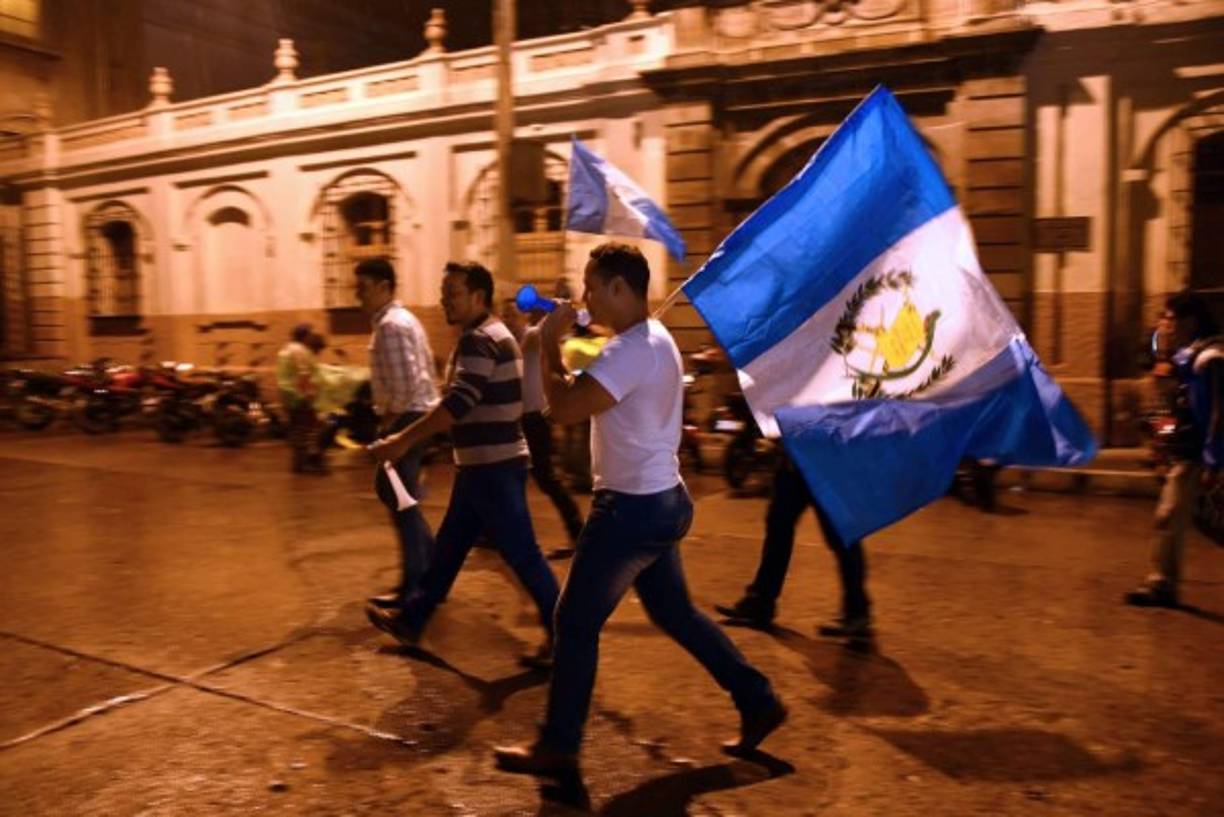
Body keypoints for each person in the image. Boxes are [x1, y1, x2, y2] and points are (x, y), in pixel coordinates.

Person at [493, 243, 785, 777]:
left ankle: (559, 746)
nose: (584, 297)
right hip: (662, 501)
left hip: (630, 510)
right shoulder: (650, 340)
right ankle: (757, 698)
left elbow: (560, 411)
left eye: (591, 286)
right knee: (675, 613)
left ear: (619, 289)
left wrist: (547, 344)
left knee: (573, 622)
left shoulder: (631, 351)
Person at [366, 262, 560, 665]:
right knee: (449, 551)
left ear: (477, 297)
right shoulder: (491, 334)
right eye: (443, 291)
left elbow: (456, 405)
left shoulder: (479, 340)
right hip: (481, 466)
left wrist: (401, 441)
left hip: (494, 467)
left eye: (452, 292)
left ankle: (565, 637)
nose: (443, 300)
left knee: (523, 554)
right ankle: (412, 621)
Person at [1125, 291, 1223, 608]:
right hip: (1188, 452)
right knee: (1182, 517)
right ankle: (1162, 583)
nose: (1163, 325)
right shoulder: (1184, 358)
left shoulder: (1211, 358)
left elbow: (1219, 412)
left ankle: (1162, 583)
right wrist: (1162, 445)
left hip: (1202, 453)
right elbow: (1175, 408)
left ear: (1189, 321)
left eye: (1168, 318)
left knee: (1174, 515)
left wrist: (1213, 460)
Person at [354, 258, 440, 609]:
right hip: (416, 415)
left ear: (383, 286)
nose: (357, 294)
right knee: (400, 496)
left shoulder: (391, 325)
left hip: (407, 417)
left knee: (400, 499)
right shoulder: (402, 321)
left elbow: (406, 385)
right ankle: (433, 570)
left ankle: (416, 586)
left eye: (363, 287)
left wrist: (389, 428)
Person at [715, 453, 873, 639]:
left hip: (825, 465)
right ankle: (760, 601)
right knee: (778, 527)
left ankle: (857, 610)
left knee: (839, 536)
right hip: (792, 465)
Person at [503, 299, 585, 558]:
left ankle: (578, 534)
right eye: (503, 315)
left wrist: (553, 305)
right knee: (510, 475)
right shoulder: (510, 342)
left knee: (545, 478)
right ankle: (496, 532)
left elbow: (553, 322)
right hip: (519, 418)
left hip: (535, 418)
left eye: (511, 314)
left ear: (523, 316)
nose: (506, 319)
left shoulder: (531, 336)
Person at [275, 322, 324, 474]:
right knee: (306, 430)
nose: (313, 337)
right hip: (300, 395)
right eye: (310, 334)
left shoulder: (286, 349)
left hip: (289, 395)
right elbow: (303, 374)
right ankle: (304, 464)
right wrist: (308, 394)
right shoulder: (299, 350)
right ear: (304, 335)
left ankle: (298, 464)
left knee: (297, 430)